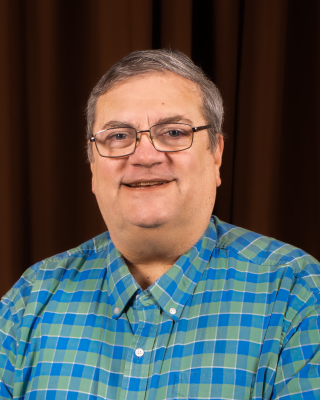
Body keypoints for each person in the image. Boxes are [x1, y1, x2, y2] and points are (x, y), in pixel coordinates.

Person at [0, 49, 319, 400]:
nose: (145, 155)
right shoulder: (29, 302)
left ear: (216, 154)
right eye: (119, 136)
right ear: (92, 167)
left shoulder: (297, 297)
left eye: (173, 132)